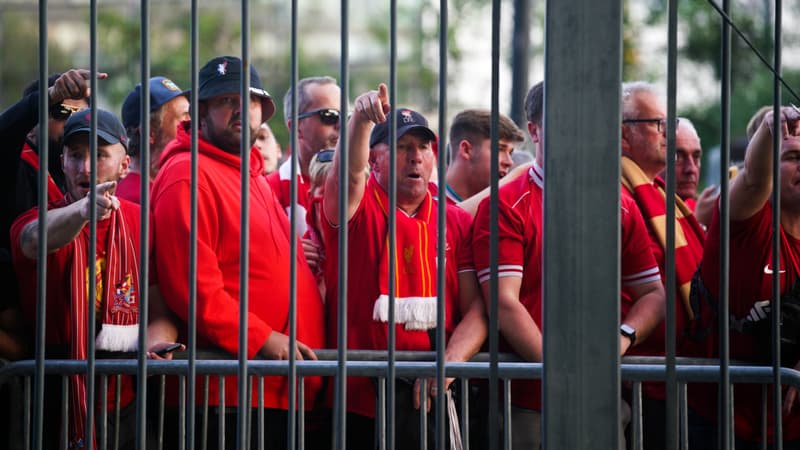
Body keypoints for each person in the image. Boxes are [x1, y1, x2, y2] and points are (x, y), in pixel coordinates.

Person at [472, 80, 666, 449]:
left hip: (602, 401)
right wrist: (562, 376)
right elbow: (504, 302)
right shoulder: (507, 203)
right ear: (534, 130)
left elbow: (654, 295)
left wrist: (621, 339)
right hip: (527, 406)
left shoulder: (619, 204)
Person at [149, 56, 325, 450]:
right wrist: (263, 338)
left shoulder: (249, 174)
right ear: (203, 112)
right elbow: (193, 289)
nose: (240, 109)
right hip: (226, 395)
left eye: (249, 100)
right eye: (225, 100)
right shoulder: (186, 174)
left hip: (272, 391)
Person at [322, 84, 487, 449]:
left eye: (423, 147)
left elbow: (476, 309)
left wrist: (449, 364)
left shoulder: (455, 220)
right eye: (401, 147)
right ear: (373, 159)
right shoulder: (357, 209)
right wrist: (361, 121)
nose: (415, 157)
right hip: (357, 403)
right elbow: (346, 177)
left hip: (431, 397)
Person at [10, 108, 141, 450]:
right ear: (62, 163)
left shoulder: (141, 221)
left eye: (98, 155)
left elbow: (154, 293)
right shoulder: (38, 217)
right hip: (53, 400)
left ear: (124, 165)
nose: (85, 168)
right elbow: (33, 239)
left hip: (124, 400)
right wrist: (82, 212)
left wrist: (157, 341)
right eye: (75, 155)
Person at [695, 106, 800, 448]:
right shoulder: (746, 219)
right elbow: (755, 180)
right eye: (793, 156)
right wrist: (771, 127)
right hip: (724, 425)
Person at [619, 81, 706, 449]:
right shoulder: (616, 196)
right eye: (658, 124)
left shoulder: (660, 195)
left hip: (679, 375)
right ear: (624, 135)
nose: (667, 134)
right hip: (639, 380)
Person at [0, 70, 96, 356]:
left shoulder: (81, 171)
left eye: (79, 116)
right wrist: (48, 97)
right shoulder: (15, 166)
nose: (71, 123)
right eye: (61, 112)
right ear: (30, 126)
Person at [268, 76, 341, 235]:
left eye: (347, 117)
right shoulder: (268, 190)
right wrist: (288, 251)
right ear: (296, 127)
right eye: (329, 115)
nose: (340, 125)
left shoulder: (363, 185)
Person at [116, 76, 190, 203]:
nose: (192, 127)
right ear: (150, 132)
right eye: (184, 121)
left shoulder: (162, 186)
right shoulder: (138, 199)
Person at [442, 108, 525, 203]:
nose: (509, 162)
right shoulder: (426, 202)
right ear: (466, 150)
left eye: (510, 153)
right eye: (499, 149)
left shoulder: (503, 209)